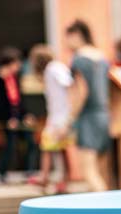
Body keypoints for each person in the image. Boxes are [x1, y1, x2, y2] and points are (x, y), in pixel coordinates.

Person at [64, 19, 114, 191]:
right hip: (104, 115)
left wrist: (71, 118)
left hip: (88, 117)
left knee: (89, 172)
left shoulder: (79, 59)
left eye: (68, 37)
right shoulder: (101, 57)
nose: (66, 42)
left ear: (77, 35)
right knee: (101, 172)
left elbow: (81, 92)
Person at [0, 46, 37, 184]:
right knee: (8, 146)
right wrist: (8, 119)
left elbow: (19, 100)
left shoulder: (14, 78)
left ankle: (29, 171)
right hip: (5, 119)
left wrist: (25, 115)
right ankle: (2, 174)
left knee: (31, 142)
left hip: (17, 118)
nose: (19, 66)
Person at [27, 44, 71, 194]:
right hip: (59, 116)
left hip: (60, 117)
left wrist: (66, 117)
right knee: (61, 149)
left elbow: (68, 84)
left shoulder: (54, 68)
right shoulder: (52, 70)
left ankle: (44, 177)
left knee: (46, 146)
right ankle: (65, 180)